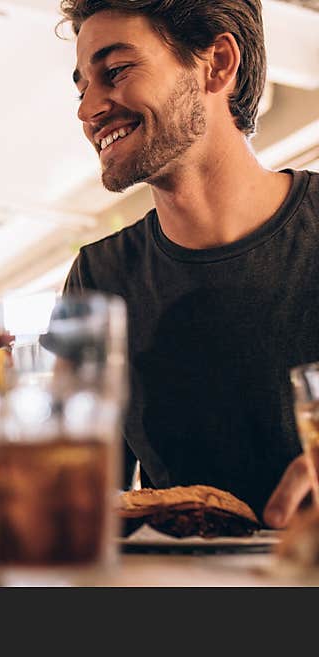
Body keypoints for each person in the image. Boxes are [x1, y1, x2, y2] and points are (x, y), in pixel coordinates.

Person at [58, 0, 318, 527]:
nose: (87, 110)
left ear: (218, 63)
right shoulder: (96, 279)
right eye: (82, 86)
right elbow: (79, 496)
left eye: (115, 71)